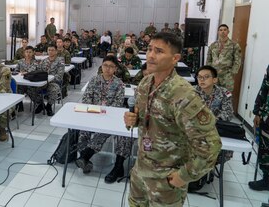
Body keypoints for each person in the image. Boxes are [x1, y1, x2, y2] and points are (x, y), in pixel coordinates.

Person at [124, 32, 221, 207]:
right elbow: (146, 121)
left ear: (175, 58)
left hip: (166, 182)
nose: (151, 56)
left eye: (159, 51)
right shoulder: (145, 84)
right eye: (150, 49)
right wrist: (132, 120)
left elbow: (210, 145)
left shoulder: (183, 94)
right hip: (140, 173)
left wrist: (183, 177)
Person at [77, 55, 133, 183]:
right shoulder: (94, 80)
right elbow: (86, 99)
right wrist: (93, 111)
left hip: (110, 118)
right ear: (101, 66)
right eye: (105, 66)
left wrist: (104, 113)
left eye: (111, 67)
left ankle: (89, 158)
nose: (108, 69)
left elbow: (118, 104)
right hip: (92, 115)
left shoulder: (119, 83)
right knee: (83, 131)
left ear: (116, 69)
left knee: (108, 133)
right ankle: (84, 159)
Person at [28, 44, 64, 116]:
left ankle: (49, 106)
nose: (50, 52)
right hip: (42, 82)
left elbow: (59, 75)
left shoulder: (60, 61)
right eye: (49, 50)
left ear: (56, 51)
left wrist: (49, 79)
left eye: (52, 50)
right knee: (29, 88)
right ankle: (40, 104)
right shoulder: (44, 61)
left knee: (54, 89)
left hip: (53, 82)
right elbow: (38, 70)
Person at [248, 64, 269, 191]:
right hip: (267, 117)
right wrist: (257, 112)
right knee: (265, 147)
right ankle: (267, 179)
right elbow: (264, 87)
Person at [206, 24, 241, 92]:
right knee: (213, 94)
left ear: (228, 31)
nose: (223, 31)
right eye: (221, 30)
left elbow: (237, 61)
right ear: (218, 32)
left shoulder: (234, 45)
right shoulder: (213, 45)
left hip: (227, 76)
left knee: (227, 95)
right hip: (214, 75)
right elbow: (209, 60)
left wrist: (232, 73)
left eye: (225, 30)